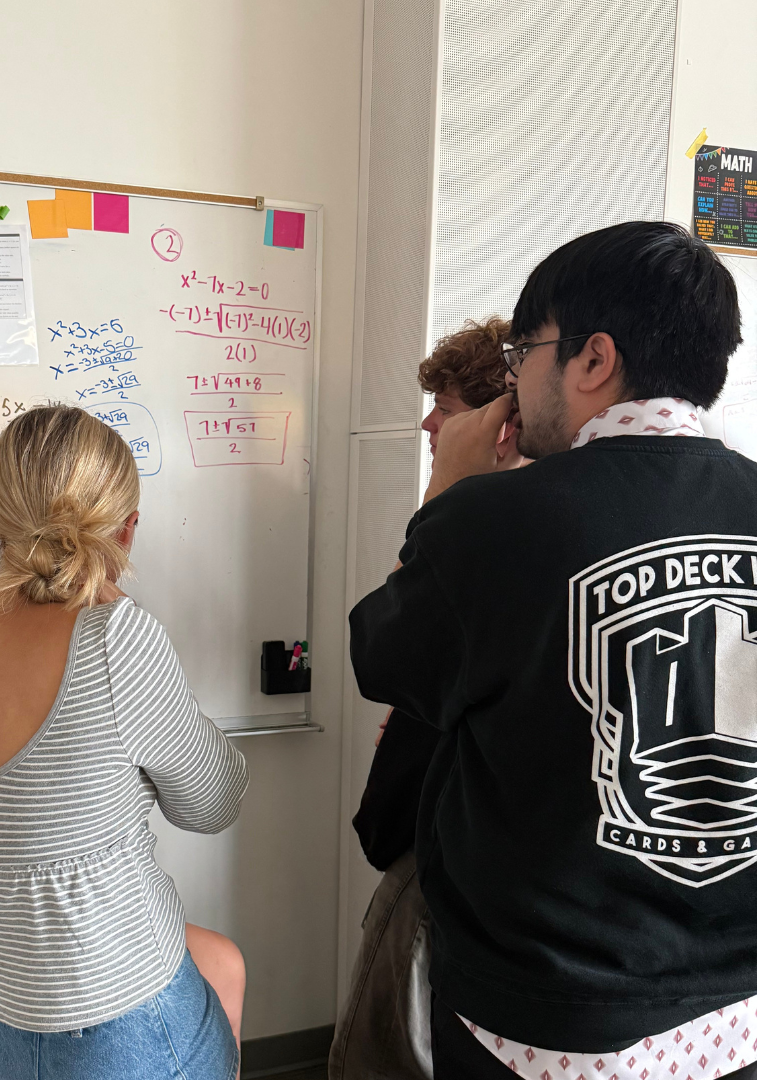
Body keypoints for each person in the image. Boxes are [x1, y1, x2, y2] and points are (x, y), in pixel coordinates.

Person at [350, 221, 757, 1078]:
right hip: (736, 1012)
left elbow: (381, 657)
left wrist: (446, 491)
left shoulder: (493, 520)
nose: (514, 380)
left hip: (546, 1019)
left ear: (592, 358)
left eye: (522, 353)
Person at [0, 404, 249, 1080]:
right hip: (113, 1041)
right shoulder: (117, 637)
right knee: (224, 970)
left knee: (221, 959)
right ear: (128, 528)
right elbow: (215, 804)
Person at [330, 317, 517, 1080]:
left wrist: (442, 498)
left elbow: (380, 648)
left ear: (500, 426)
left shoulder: (488, 540)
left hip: (443, 876)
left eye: (446, 407)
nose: (429, 424)